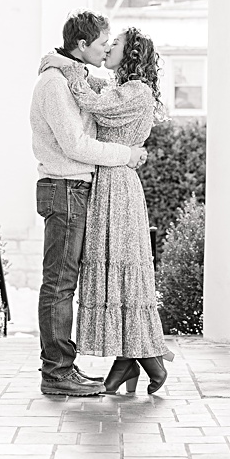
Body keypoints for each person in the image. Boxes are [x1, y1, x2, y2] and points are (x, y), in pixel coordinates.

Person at [40, 26, 175, 395]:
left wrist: (63, 65)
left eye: (115, 45)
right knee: (109, 271)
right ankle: (129, 359)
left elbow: (88, 98)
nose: (109, 47)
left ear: (130, 54)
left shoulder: (136, 92)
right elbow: (94, 86)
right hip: (106, 183)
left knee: (122, 270)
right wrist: (68, 66)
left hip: (118, 186)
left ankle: (145, 357)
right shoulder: (121, 89)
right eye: (106, 42)